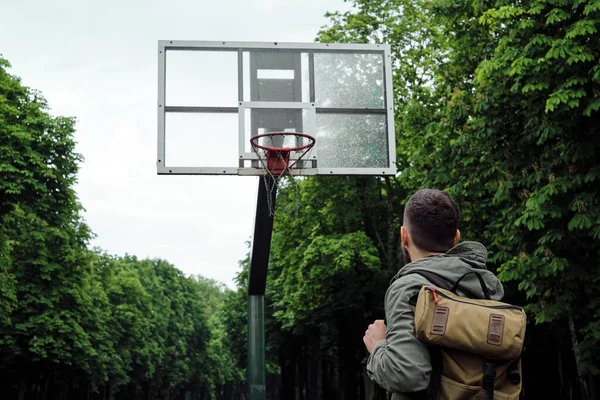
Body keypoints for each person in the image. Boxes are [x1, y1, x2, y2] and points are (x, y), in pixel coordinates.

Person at [363, 189, 505, 399]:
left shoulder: (408, 287)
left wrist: (378, 347)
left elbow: (409, 376)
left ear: (404, 236)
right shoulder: (485, 284)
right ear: (456, 238)